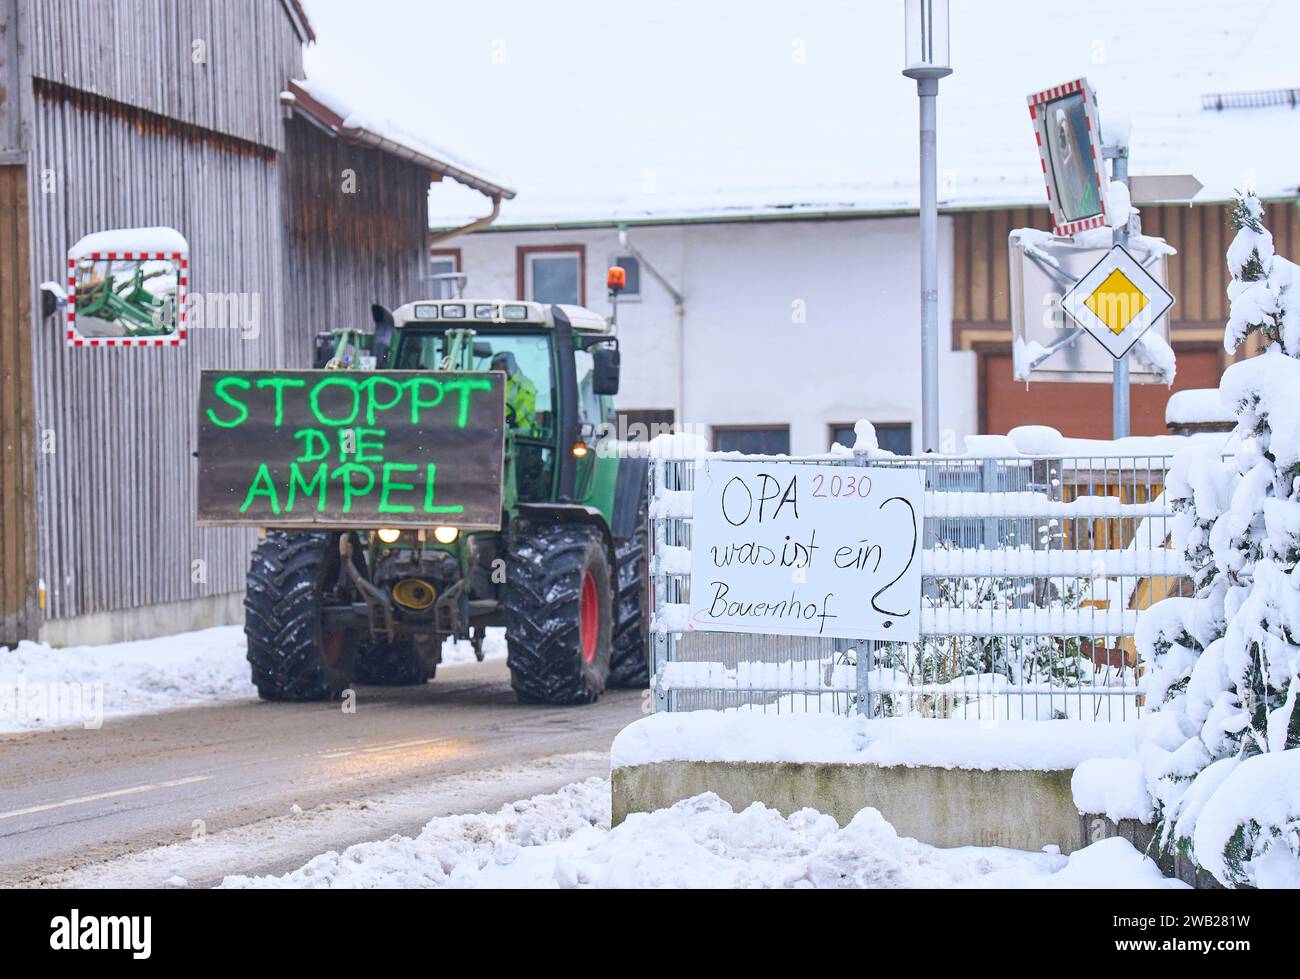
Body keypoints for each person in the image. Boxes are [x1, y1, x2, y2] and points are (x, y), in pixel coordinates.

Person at [491, 351, 538, 433]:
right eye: (496, 367)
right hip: (497, 431)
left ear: (510, 367)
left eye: (502, 367)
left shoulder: (524, 384)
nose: (499, 370)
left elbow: (523, 409)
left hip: (523, 435)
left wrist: (507, 420)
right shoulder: (491, 384)